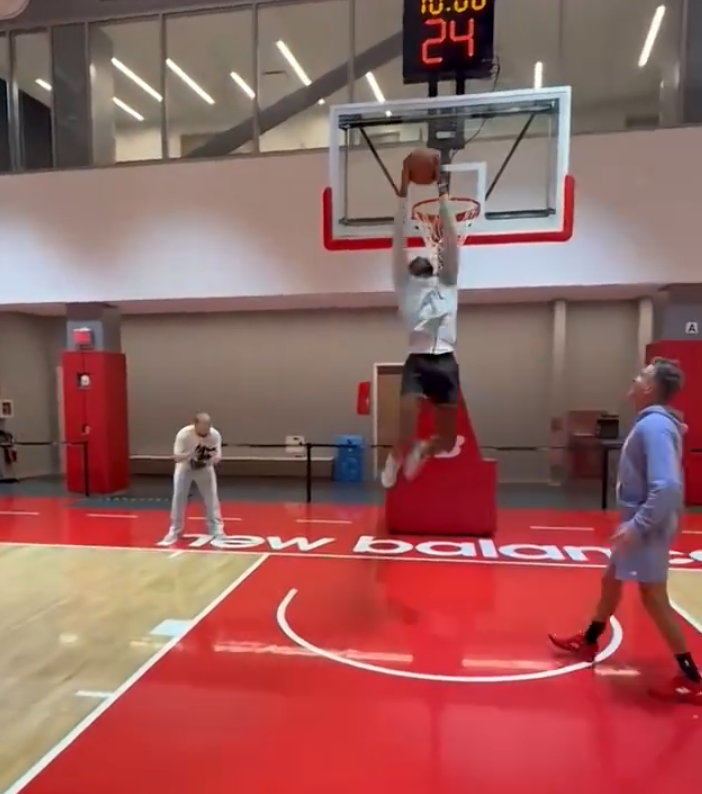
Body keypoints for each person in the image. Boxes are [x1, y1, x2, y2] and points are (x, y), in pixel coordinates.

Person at [549, 358, 701, 703]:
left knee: (653, 597)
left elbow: (667, 487)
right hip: (639, 525)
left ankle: (692, 676)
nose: (635, 377)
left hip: (646, 526)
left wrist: (638, 525)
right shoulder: (655, 423)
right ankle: (589, 640)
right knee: (611, 580)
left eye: (642, 375)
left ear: (650, 387)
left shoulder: (654, 427)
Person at [381, 153, 463, 489]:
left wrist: (443, 193)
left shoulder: (448, 280)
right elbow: (398, 235)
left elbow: (451, 238)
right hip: (417, 362)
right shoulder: (403, 284)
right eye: (415, 256)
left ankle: (423, 449)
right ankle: (397, 454)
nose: (420, 256)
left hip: (446, 361)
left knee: (447, 440)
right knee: (405, 432)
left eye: (426, 255)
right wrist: (403, 193)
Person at [161, 412, 225, 545]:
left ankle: (216, 529)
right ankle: (175, 530)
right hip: (185, 467)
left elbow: (218, 457)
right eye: (203, 427)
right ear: (195, 425)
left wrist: (210, 459)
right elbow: (177, 457)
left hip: (204, 467)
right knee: (179, 497)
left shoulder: (214, 435)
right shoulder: (183, 435)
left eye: (208, 426)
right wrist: (192, 454)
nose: (206, 430)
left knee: (211, 497)